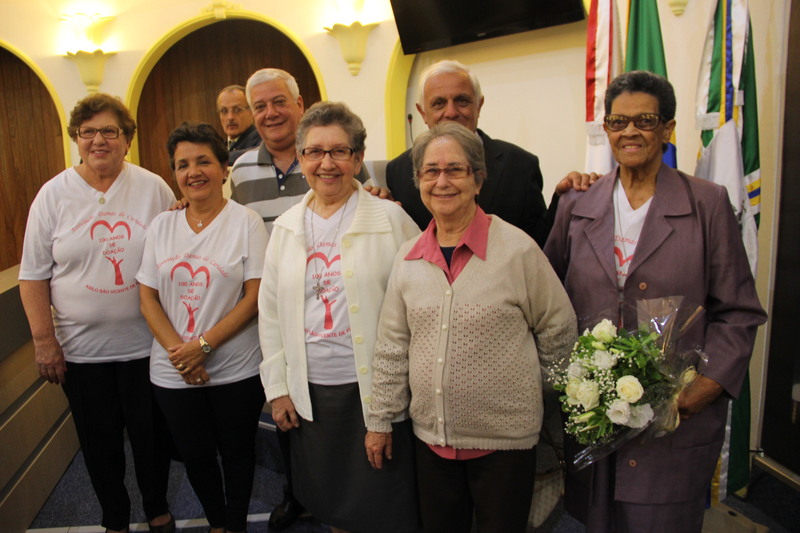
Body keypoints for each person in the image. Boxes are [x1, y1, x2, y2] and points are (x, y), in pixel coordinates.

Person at [544, 71, 767, 533]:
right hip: (596, 414)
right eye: (618, 121)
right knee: (594, 519)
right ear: (606, 129)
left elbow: (738, 311)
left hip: (675, 418)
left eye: (645, 120)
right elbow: (548, 299)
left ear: (667, 128)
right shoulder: (576, 205)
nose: (630, 131)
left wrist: (707, 386)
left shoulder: (707, 203)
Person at [366, 121, 578, 533]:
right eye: (431, 171)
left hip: (505, 445)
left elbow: (559, 329)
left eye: (455, 170)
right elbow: (392, 346)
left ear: (478, 180)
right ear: (418, 181)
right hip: (431, 441)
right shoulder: (408, 258)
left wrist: (534, 393)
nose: (442, 181)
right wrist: (380, 420)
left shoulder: (517, 250)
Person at [259, 101, 421, 533]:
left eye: (339, 151)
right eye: (314, 152)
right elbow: (269, 313)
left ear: (358, 157)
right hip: (312, 392)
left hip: (374, 389)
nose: (326, 163)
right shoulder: (286, 227)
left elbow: (421, 302)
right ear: (301, 158)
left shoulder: (390, 219)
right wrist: (278, 388)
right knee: (333, 501)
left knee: (384, 499)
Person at [18, 93, 175, 533]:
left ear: (127, 140)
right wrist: (44, 341)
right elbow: (33, 275)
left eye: (109, 131)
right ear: (76, 139)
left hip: (147, 346)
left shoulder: (153, 188)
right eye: (88, 132)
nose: (98, 140)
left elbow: (175, 250)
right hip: (81, 353)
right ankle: (115, 519)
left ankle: (158, 509)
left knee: (152, 439)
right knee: (98, 444)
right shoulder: (53, 195)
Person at [137, 122, 268, 533]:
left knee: (238, 453)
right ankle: (217, 523)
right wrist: (183, 355)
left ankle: (235, 524)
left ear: (224, 168)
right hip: (174, 371)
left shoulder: (246, 222)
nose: (193, 172)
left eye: (203, 161)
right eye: (182, 165)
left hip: (236, 368)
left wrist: (203, 347)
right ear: (174, 174)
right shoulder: (161, 226)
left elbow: (254, 298)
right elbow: (147, 298)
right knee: (195, 455)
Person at [385, 59, 594, 247]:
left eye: (462, 101)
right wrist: (376, 201)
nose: (451, 112)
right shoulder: (398, 171)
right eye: (439, 103)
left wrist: (563, 198)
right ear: (422, 112)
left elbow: (540, 242)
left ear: (479, 105)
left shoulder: (520, 165)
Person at [217, 85, 261, 165]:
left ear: (252, 111)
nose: (230, 117)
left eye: (237, 110)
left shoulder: (262, 138)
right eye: (224, 111)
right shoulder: (221, 146)